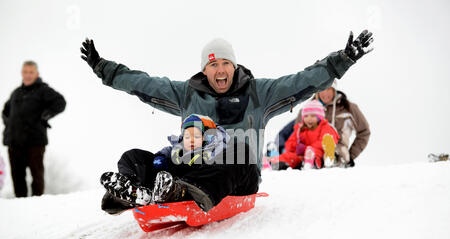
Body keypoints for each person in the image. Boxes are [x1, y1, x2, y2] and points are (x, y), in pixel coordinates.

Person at [80, 31, 374, 173]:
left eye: (225, 63)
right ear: (204, 70)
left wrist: (341, 61)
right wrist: (104, 68)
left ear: (234, 66)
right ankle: (135, 190)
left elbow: (302, 81)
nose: (220, 70)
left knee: (235, 149)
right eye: (213, 65)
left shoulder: (259, 93)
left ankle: (188, 188)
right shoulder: (187, 94)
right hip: (193, 170)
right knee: (134, 157)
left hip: (239, 175)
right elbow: (143, 84)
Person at [100, 114, 259, 214]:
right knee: (134, 155)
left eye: (196, 135)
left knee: (241, 151)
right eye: (187, 136)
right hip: (172, 185)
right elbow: (164, 156)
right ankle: (135, 191)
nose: (190, 139)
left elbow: (233, 163)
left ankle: (178, 191)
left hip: (223, 185)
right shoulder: (177, 152)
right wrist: (160, 160)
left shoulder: (221, 149)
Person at [2, 61, 66, 197]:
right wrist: (9, 125)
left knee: (37, 175)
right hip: (14, 142)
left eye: (31, 72)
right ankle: (20, 204)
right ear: (22, 73)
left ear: (37, 74)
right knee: (17, 177)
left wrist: (45, 116)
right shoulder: (16, 93)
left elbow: (60, 102)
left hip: (35, 141)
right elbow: (5, 111)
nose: (28, 75)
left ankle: (37, 203)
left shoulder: (43, 90)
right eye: (25, 72)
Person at [270, 100, 339, 170]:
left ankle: (314, 163)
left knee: (314, 152)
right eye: (306, 116)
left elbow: (326, 141)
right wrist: (296, 146)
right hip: (301, 155)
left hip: (317, 153)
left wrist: (306, 149)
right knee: (290, 155)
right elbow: (290, 143)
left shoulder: (325, 127)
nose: (309, 119)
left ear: (319, 117)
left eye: (313, 116)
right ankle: (276, 162)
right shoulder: (300, 129)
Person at [315, 80, 370, 167]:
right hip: (314, 156)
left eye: (329, 89)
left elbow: (364, 131)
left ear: (334, 90)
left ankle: (334, 159)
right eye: (322, 89)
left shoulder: (349, 107)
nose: (325, 93)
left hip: (340, 155)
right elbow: (297, 132)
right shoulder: (309, 109)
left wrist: (352, 155)